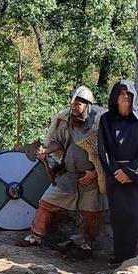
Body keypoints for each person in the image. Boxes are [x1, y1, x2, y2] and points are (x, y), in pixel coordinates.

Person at [17, 86, 107, 253]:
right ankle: (35, 235)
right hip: (69, 174)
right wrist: (47, 151)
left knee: (91, 213)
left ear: (87, 105)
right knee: (46, 203)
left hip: (90, 177)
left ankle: (88, 241)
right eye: (72, 103)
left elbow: (107, 153)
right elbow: (58, 141)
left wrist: (95, 173)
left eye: (78, 104)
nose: (73, 107)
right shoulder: (66, 121)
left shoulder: (99, 125)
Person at [97, 81, 138, 265]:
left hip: (136, 175)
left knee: (132, 215)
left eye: (128, 94)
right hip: (114, 174)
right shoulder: (106, 119)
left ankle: (129, 256)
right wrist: (115, 171)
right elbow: (103, 148)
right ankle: (119, 255)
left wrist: (130, 171)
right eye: (121, 93)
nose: (125, 97)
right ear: (115, 97)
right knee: (117, 215)